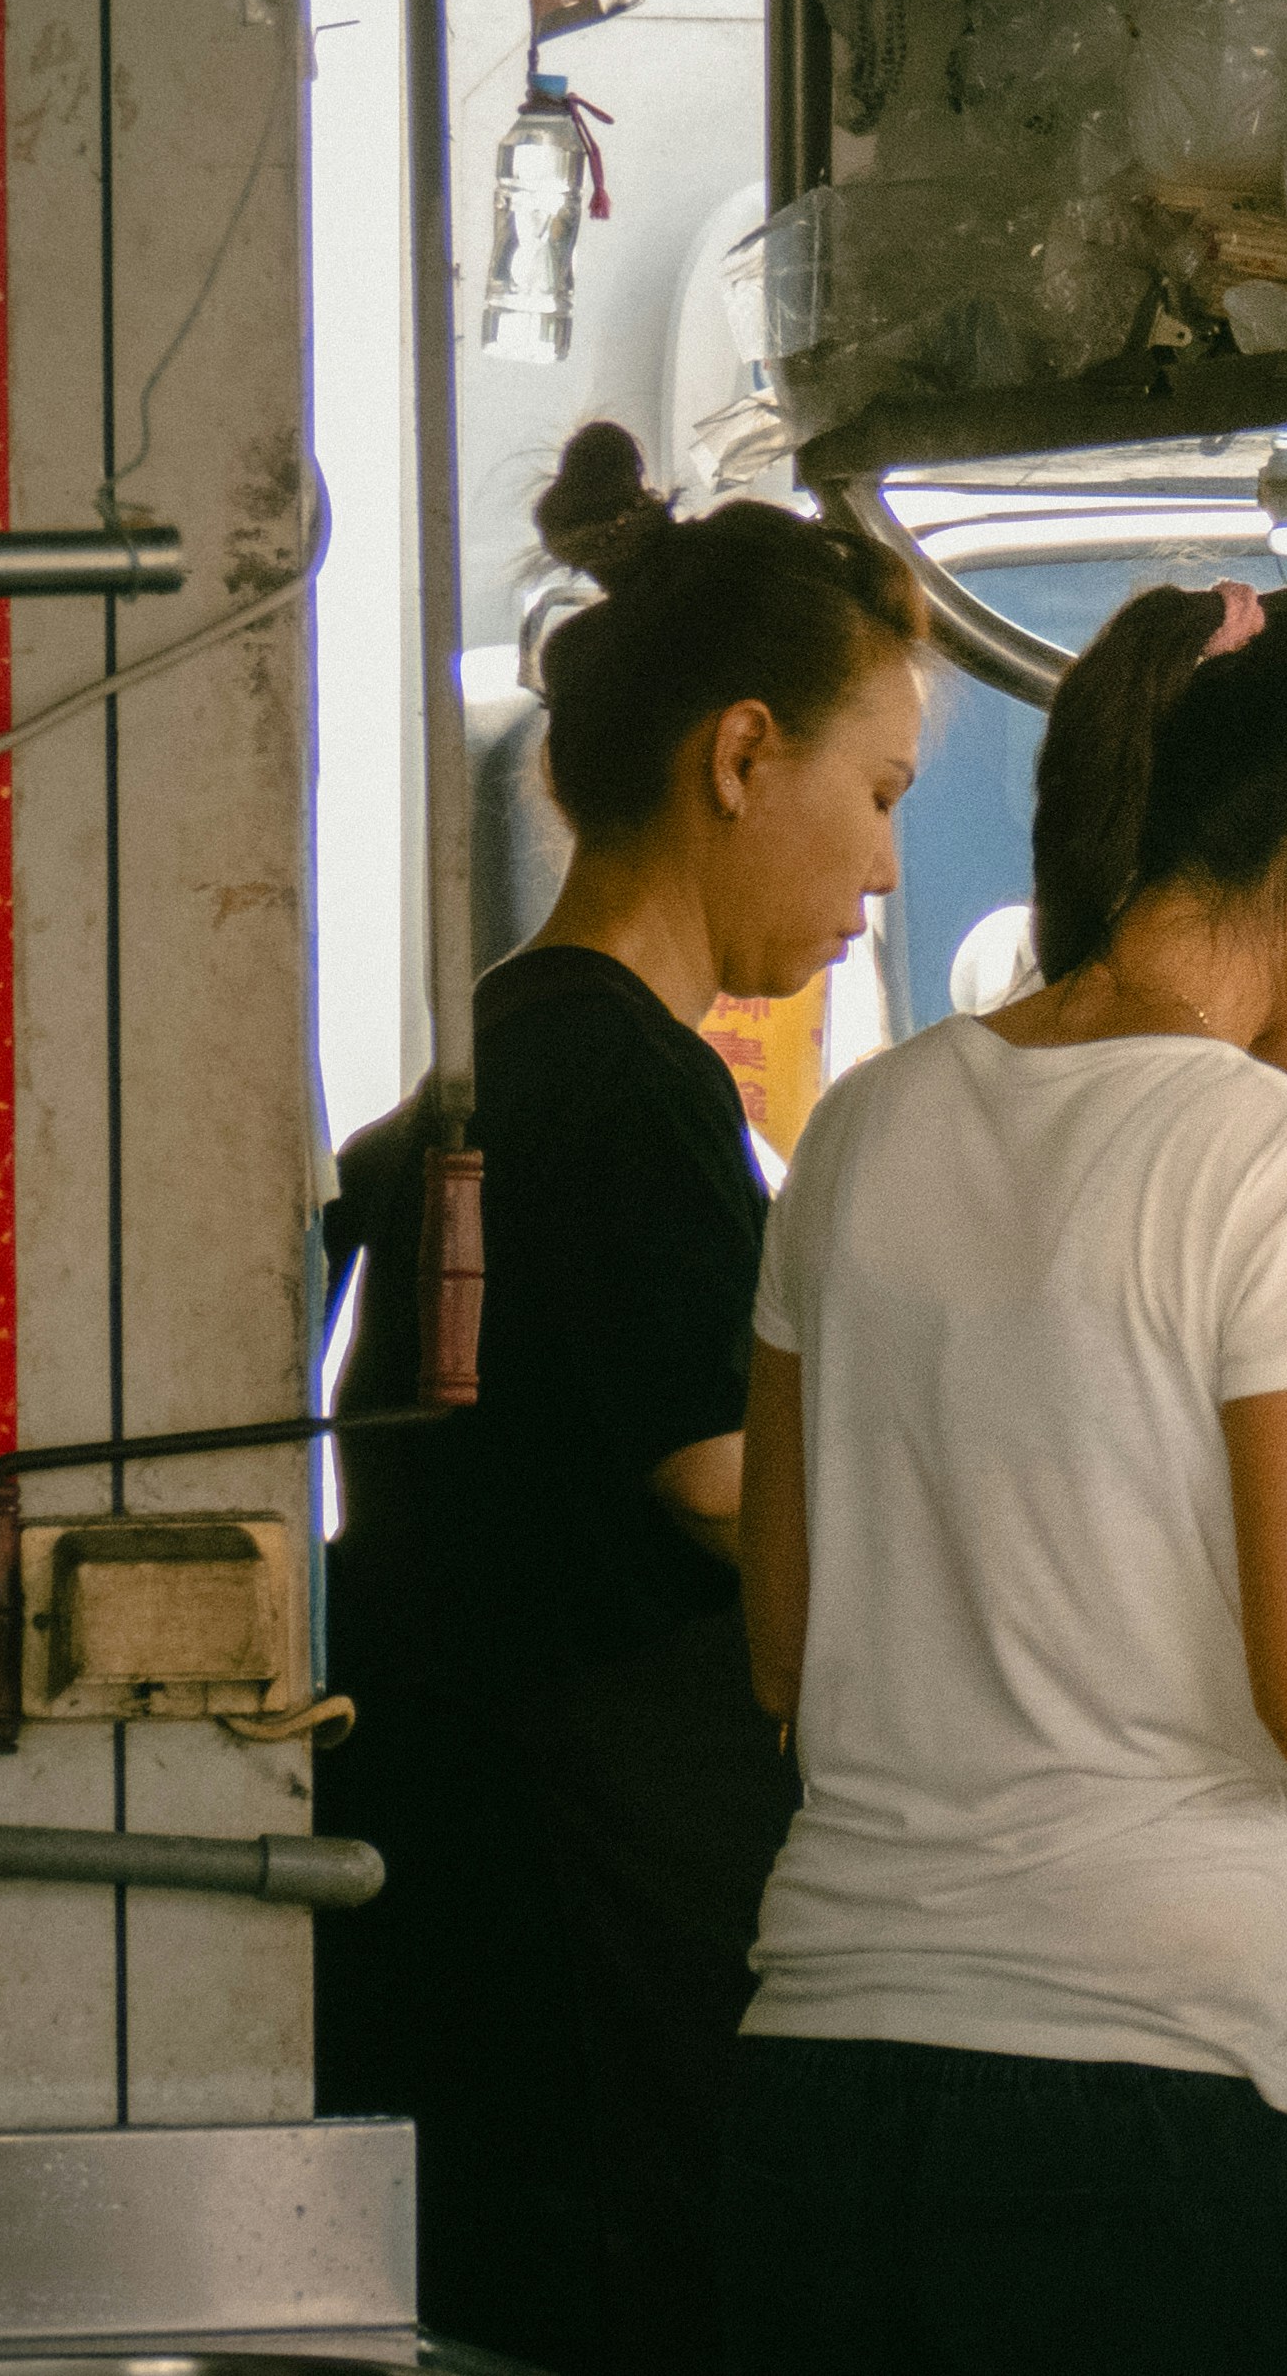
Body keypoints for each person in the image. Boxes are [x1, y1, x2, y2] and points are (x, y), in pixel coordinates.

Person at [725, 573, 1287, 2375]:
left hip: (824, 2085)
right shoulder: (1284, 1157)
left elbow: (789, 1651)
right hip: (1142, 2116)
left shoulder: (868, 1124)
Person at [315, 423, 931, 2376]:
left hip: (484, 1962)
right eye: (879, 790)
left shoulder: (496, 1067)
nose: (886, 865)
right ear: (743, 754)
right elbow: (740, 1498)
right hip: (583, 1977)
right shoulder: (629, 1095)